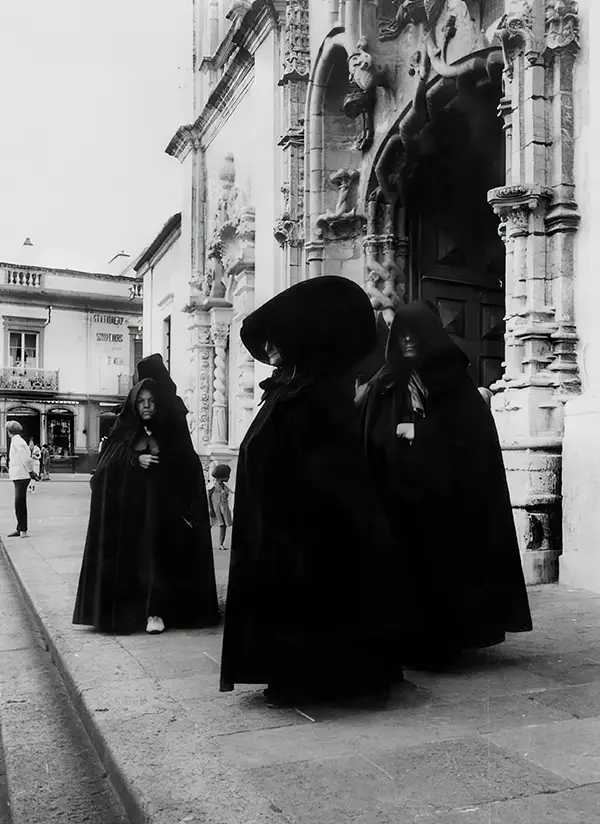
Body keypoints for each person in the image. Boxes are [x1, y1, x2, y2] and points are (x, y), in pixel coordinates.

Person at [220, 275, 404, 707]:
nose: (270, 351)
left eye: (276, 341)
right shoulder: (288, 389)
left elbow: (324, 474)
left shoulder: (318, 396)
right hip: (281, 535)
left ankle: (315, 678)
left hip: (307, 538)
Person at [357, 300, 533, 669]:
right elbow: (365, 434)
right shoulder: (385, 382)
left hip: (444, 503)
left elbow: (472, 440)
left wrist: (420, 431)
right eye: (400, 334)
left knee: (440, 577)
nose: (407, 342)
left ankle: (442, 642)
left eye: (415, 334)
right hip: (396, 501)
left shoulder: (454, 382)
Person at [72, 354, 219, 635]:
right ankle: (134, 611)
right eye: (141, 401)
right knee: (135, 559)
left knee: (160, 558)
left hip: (164, 511)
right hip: (133, 511)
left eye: (151, 401)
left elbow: (185, 463)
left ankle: (157, 611)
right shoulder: (125, 427)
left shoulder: (171, 424)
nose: (147, 406)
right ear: (135, 402)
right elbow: (104, 468)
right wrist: (133, 460)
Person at [6, 421, 34, 538]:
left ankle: (22, 529)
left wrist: (31, 472)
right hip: (20, 476)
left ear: (9, 431)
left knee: (19, 503)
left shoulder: (17, 441)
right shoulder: (17, 441)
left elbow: (25, 458)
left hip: (21, 476)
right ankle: (21, 528)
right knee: (20, 503)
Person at [208, 464, 233, 551]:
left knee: (223, 526)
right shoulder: (213, 486)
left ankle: (221, 544)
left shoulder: (224, 486)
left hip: (223, 508)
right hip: (215, 508)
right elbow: (208, 496)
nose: (228, 477)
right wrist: (210, 509)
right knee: (210, 525)